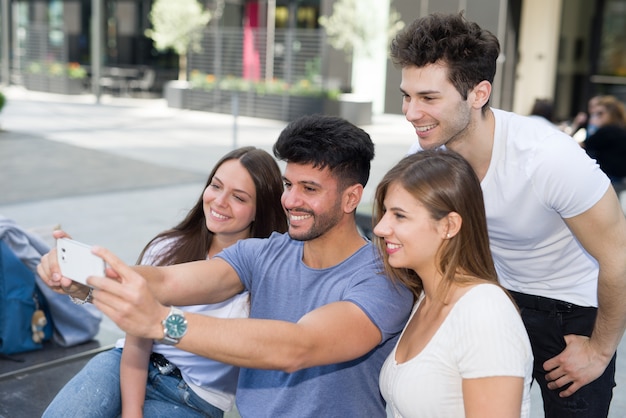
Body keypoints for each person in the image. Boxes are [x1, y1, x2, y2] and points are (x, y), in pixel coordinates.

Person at [37, 114, 414, 418]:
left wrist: (159, 321)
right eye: (288, 184)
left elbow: (298, 347)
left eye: (310, 189)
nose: (291, 200)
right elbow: (166, 279)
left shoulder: (382, 278)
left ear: (352, 198)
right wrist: (84, 275)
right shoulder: (260, 254)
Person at [390, 12, 626, 417]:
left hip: (570, 310)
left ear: (479, 94)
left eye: (428, 98)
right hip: (492, 295)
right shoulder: (426, 157)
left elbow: (619, 255)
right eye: (407, 96)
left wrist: (600, 350)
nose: (411, 112)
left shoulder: (548, 159)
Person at [42, 146, 288, 418]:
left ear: (260, 209)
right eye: (215, 186)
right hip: (127, 366)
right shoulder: (167, 247)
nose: (219, 201)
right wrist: (132, 411)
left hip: (195, 398)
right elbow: (138, 334)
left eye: (239, 198)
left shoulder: (267, 277)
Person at [374, 149, 533, 417]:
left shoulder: (485, 313)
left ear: (449, 225)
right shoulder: (427, 299)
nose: (380, 228)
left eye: (399, 215)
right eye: (386, 212)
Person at [582, 95, 626, 183]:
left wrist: (593, 127)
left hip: (608, 176)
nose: (596, 116)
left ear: (611, 113)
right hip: (617, 176)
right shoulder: (620, 128)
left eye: (600, 113)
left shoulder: (608, 131)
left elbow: (586, 145)